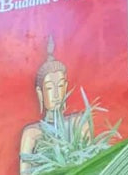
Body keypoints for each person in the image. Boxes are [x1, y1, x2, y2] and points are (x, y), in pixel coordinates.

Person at [19, 37, 91, 174]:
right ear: (40, 92)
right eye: (50, 88)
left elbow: (92, 163)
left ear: (66, 87)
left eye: (60, 86)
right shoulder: (32, 133)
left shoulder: (78, 122)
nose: (56, 94)